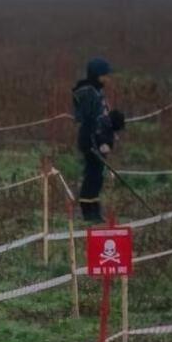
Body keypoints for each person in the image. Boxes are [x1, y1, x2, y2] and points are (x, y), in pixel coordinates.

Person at [72, 57, 125, 224]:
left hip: (99, 138)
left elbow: (101, 116)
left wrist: (112, 121)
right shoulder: (88, 92)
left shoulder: (97, 91)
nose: (108, 78)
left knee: (98, 176)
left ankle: (94, 208)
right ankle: (88, 211)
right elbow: (90, 120)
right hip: (91, 140)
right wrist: (99, 140)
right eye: (105, 74)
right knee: (92, 176)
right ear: (97, 74)